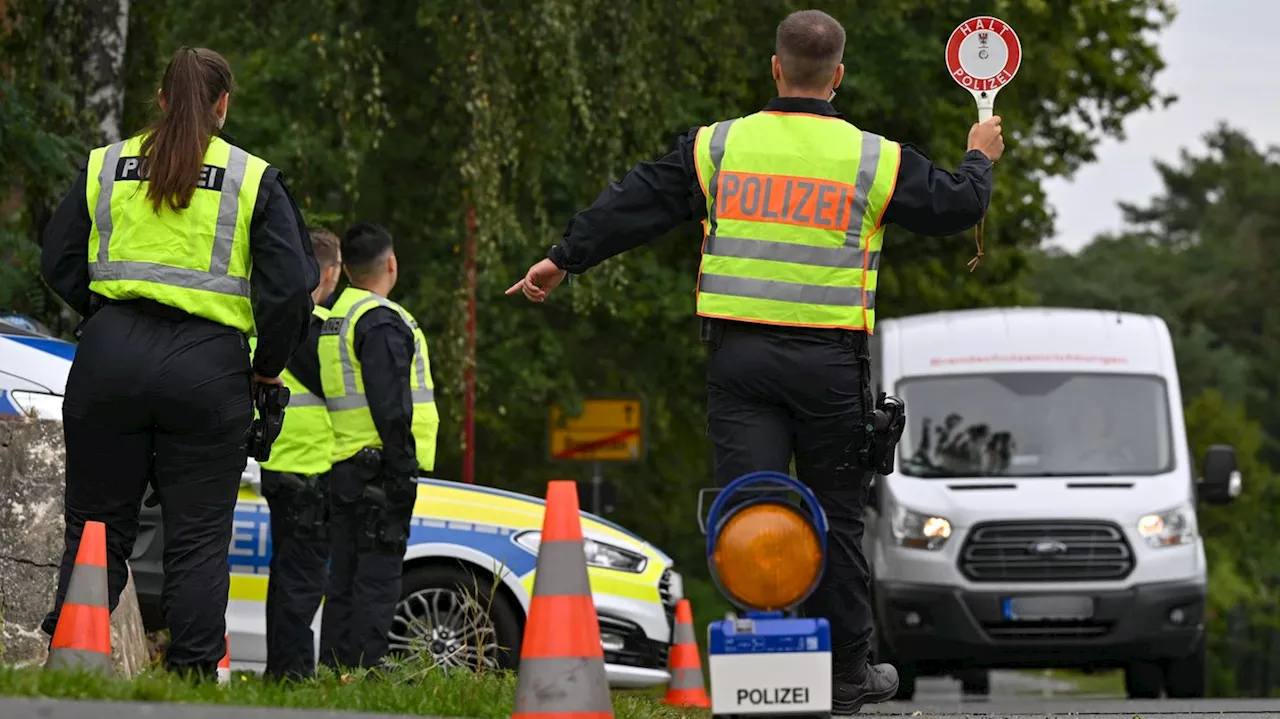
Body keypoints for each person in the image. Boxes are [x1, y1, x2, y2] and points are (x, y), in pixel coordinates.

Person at [506, 9, 1002, 714]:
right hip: (830, 363)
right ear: (837, 77)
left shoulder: (719, 147)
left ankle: (761, 654)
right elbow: (957, 205)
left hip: (740, 360)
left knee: (752, 508)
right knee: (834, 509)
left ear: (775, 68)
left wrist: (563, 257)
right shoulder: (873, 158)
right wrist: (980, 152)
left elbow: (636, 202)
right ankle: (847, 671)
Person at [39, 46, 317, 678]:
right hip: (208, 369)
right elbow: (290, 292)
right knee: (197, 540)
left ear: (161, 100)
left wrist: (109, 317)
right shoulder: (253, 180)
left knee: (94, 528)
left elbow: (55, 258)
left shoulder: (105, 166)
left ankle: (72, 666)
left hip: (108, 360)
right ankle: (192, 681)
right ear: (223, 105)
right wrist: (267, 369)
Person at [317, 221, 439, 670]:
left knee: (344, 579)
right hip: (380, 470)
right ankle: (365, 673)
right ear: (391, 263)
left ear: (346, 269)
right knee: (377, 578)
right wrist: (403, 469)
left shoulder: (335, 319)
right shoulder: (381, 321)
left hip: (346, 466)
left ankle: (333, 673)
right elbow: (392, 406)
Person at [251, 227, 343, 682]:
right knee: (303, 580)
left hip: (278, 467)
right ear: (327, 272)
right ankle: (291, 676)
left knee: (286, 574)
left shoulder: (265, 325)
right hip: (315, 471)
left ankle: (281, 672)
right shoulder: (324, 333)